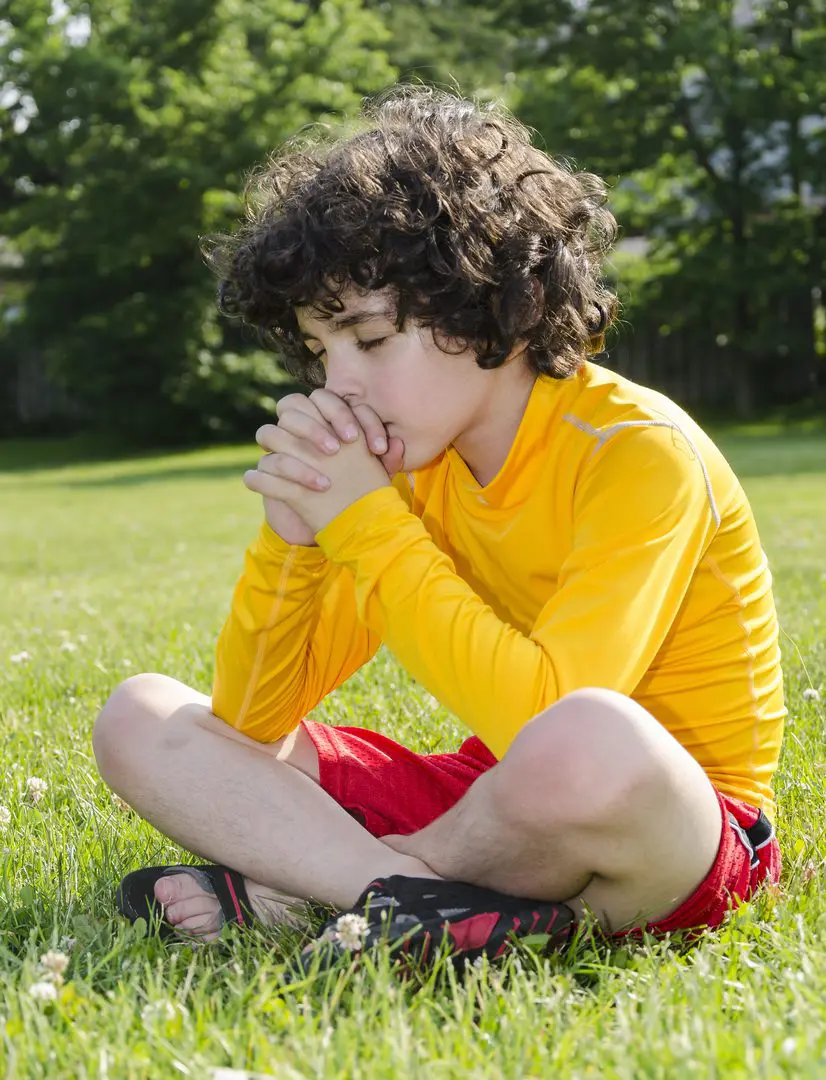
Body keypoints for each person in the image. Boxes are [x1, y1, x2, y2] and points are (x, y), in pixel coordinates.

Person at [93, 87, 784, 968]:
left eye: (370, 341)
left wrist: (365, 522)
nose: (336, 383)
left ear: (503, 304)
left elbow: (547, 719)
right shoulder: (411, 466)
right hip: (494, 800)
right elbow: (251, 725)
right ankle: (411, 903)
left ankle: (322, 891)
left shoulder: (637, 450)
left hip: (669, 824)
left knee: (589, 738)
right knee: (140, 717)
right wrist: (297, 540)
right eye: (320, 351)